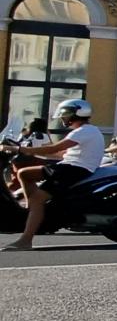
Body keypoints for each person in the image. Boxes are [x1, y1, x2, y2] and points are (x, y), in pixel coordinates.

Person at [4, 98, 105, 251]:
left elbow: (54, 149)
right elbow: (60, 153)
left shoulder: (84, 131)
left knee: (38, 198)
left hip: (73, 170)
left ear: (76, 114)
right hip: (68, 166)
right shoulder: (84, 131)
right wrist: (34, 152)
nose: (63, 117)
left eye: (66, 114)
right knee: (24, 174)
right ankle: (34, 210)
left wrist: (19, 150)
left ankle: (26, 240)